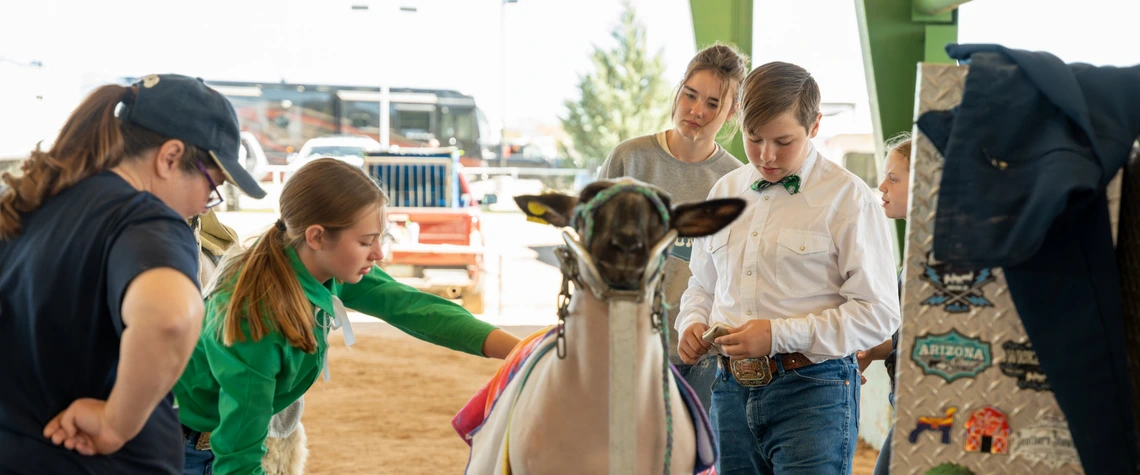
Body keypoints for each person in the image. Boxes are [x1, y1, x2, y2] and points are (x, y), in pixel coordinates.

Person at [172, 158, 521, 474]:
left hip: (220, 442)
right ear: (318, 237)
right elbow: (238, 457)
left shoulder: (319, 266)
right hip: (194, 453)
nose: (379, 252)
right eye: (367, 241)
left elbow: (414, 308)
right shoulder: (256, 318)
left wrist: (523, 351)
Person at [0, 74, 267, 474]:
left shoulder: (31, 202)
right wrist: (115, 424)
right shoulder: (147, 219)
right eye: (212, 185)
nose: (207, 205)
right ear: (170, 156)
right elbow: (170, 318)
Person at [675, 61, 900, 474]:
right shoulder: (724, 191)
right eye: (753, 138)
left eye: (783, 141)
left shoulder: (848, 199)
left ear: (814, 126)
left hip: (813, 393)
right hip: (728, 392)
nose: (766, 156)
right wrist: (691, 321)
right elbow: (703, 286)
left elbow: (879, 314)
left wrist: (778, 335)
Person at [597, 43, 748, 410]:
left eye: (713, 104)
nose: (697, 111)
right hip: (623, 338)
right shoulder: (629, 158)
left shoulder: (734, 181)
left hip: (697, 348)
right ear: (678, 91)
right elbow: (591, 241)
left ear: (732, 113)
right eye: (690, 95)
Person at [859, 133, 912, 475]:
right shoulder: (916, 256)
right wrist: (866, 353)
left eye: (894, 179)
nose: (882, 185)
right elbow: (902, 335)